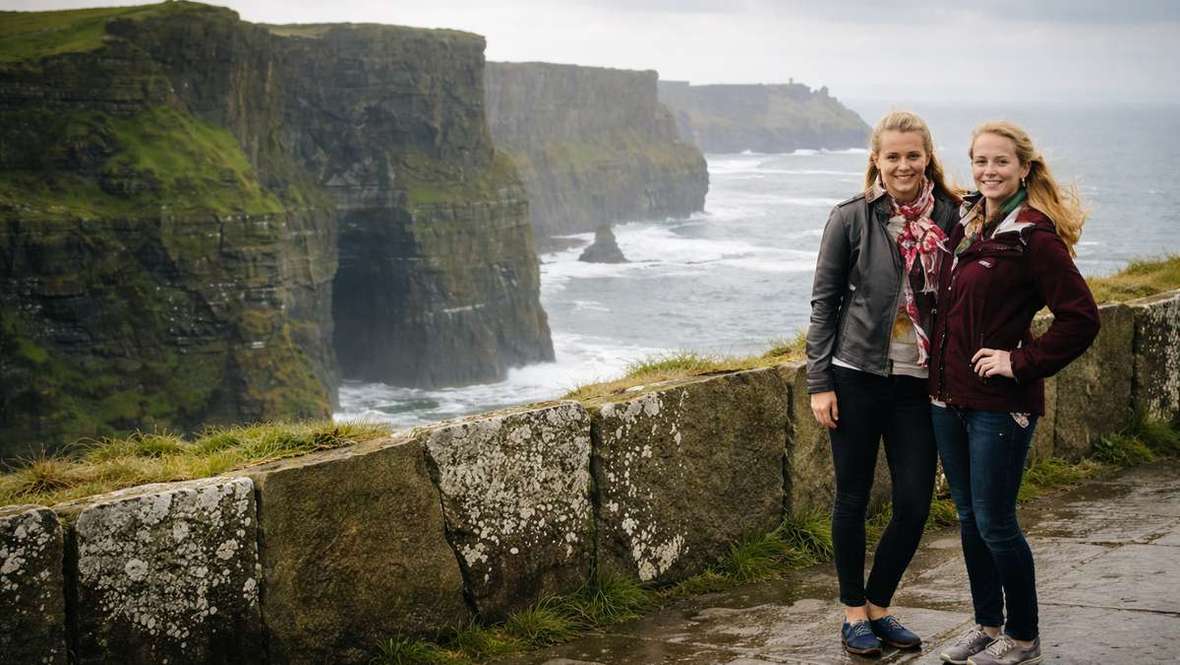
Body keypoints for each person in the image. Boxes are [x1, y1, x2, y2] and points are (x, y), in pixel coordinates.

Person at [928, 121, 1100, 665]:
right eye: (980, 161)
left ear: (1024, 168)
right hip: (947, 399)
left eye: (1000, 161)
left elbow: (1081, 318)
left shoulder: (1033, 236)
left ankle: (1023, 637)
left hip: (1000, 406)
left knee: (996, 523)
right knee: (969, 520)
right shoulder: (968, 222)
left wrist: (1019, 361)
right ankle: (987, 626)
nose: (989, 171)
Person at [806, 111, 961, 657]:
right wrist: (819, 383)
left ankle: (878, 605)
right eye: (892, 156)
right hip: (856, 375)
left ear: (927, 158)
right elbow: (824, 305)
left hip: (919, 384)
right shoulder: (850, 218)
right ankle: (854, 613)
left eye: (912, 155)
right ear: (877, 159)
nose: (903, 165)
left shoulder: (953, 215)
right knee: (851, 497)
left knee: (915, 503)